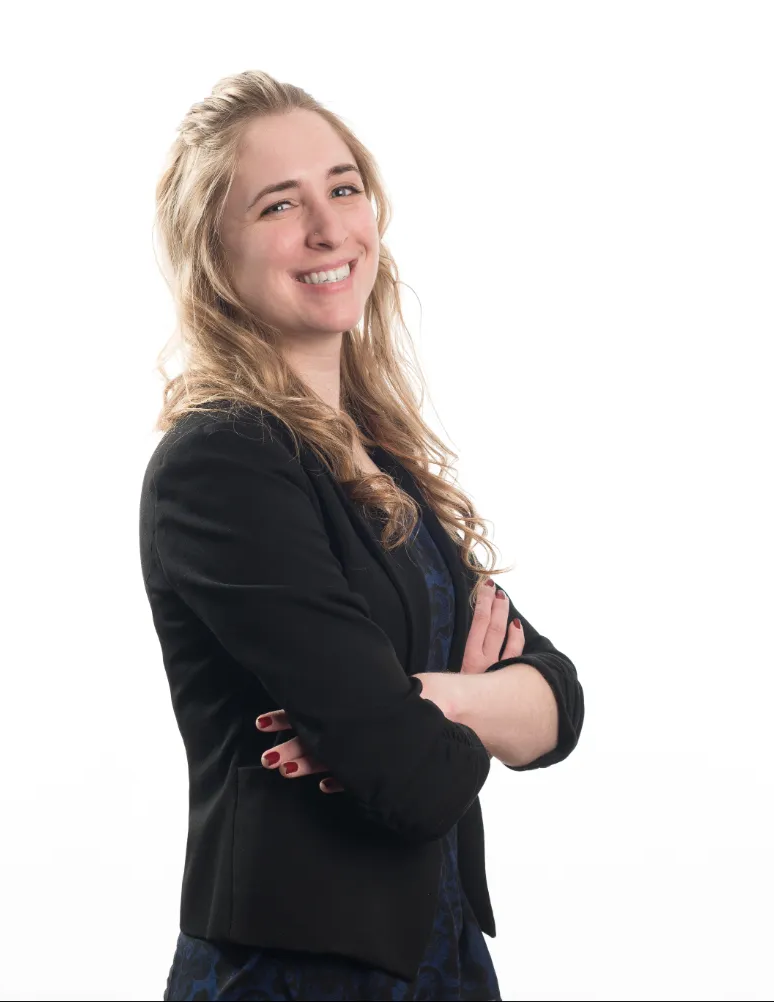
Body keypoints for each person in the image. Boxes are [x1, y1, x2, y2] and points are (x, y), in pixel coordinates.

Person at [137, 71, 585, 1001]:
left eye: (343, 187)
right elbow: (412, 780)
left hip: (446, 959)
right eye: (278, 204)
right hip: (290, 976)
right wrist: (460, 707)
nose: (330, 229)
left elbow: (560, 708)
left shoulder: (381, 462)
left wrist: (422, 696)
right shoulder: (219, 466)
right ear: (214, 252)